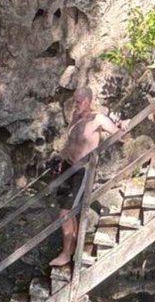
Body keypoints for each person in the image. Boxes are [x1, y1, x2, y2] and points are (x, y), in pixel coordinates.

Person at [49, 87, 123, 267]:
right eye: (75, 101)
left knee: (66, 213)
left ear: (89, 100)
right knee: (67, 210)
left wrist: (123, 126)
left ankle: (66, 254)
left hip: (82, 171)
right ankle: (72, 249)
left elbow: (121, 136)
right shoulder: (76, 117)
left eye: (79, 101)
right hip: (67, 168)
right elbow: (69, 142)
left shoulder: (98, 119)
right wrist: (60, 159)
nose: (76, 104)